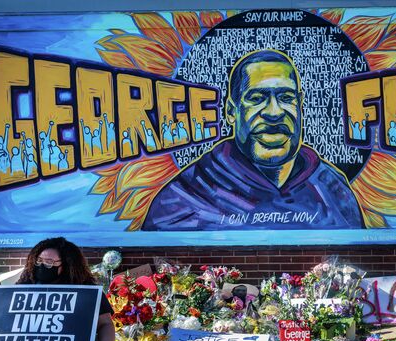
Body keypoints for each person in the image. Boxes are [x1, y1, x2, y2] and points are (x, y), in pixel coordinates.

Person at [142, 50, 364, 231]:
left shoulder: (331, 188)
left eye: (286, 98)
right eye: (256, 98)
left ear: (300, 104)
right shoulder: (186, 195)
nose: (274, 112)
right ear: (231, 111)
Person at [0, 237, 115, 341]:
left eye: (49, 262)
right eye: (39, 260)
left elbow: (105, 324)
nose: (42, 266)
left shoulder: (86, 291)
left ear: (67, 265)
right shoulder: (23, 288)